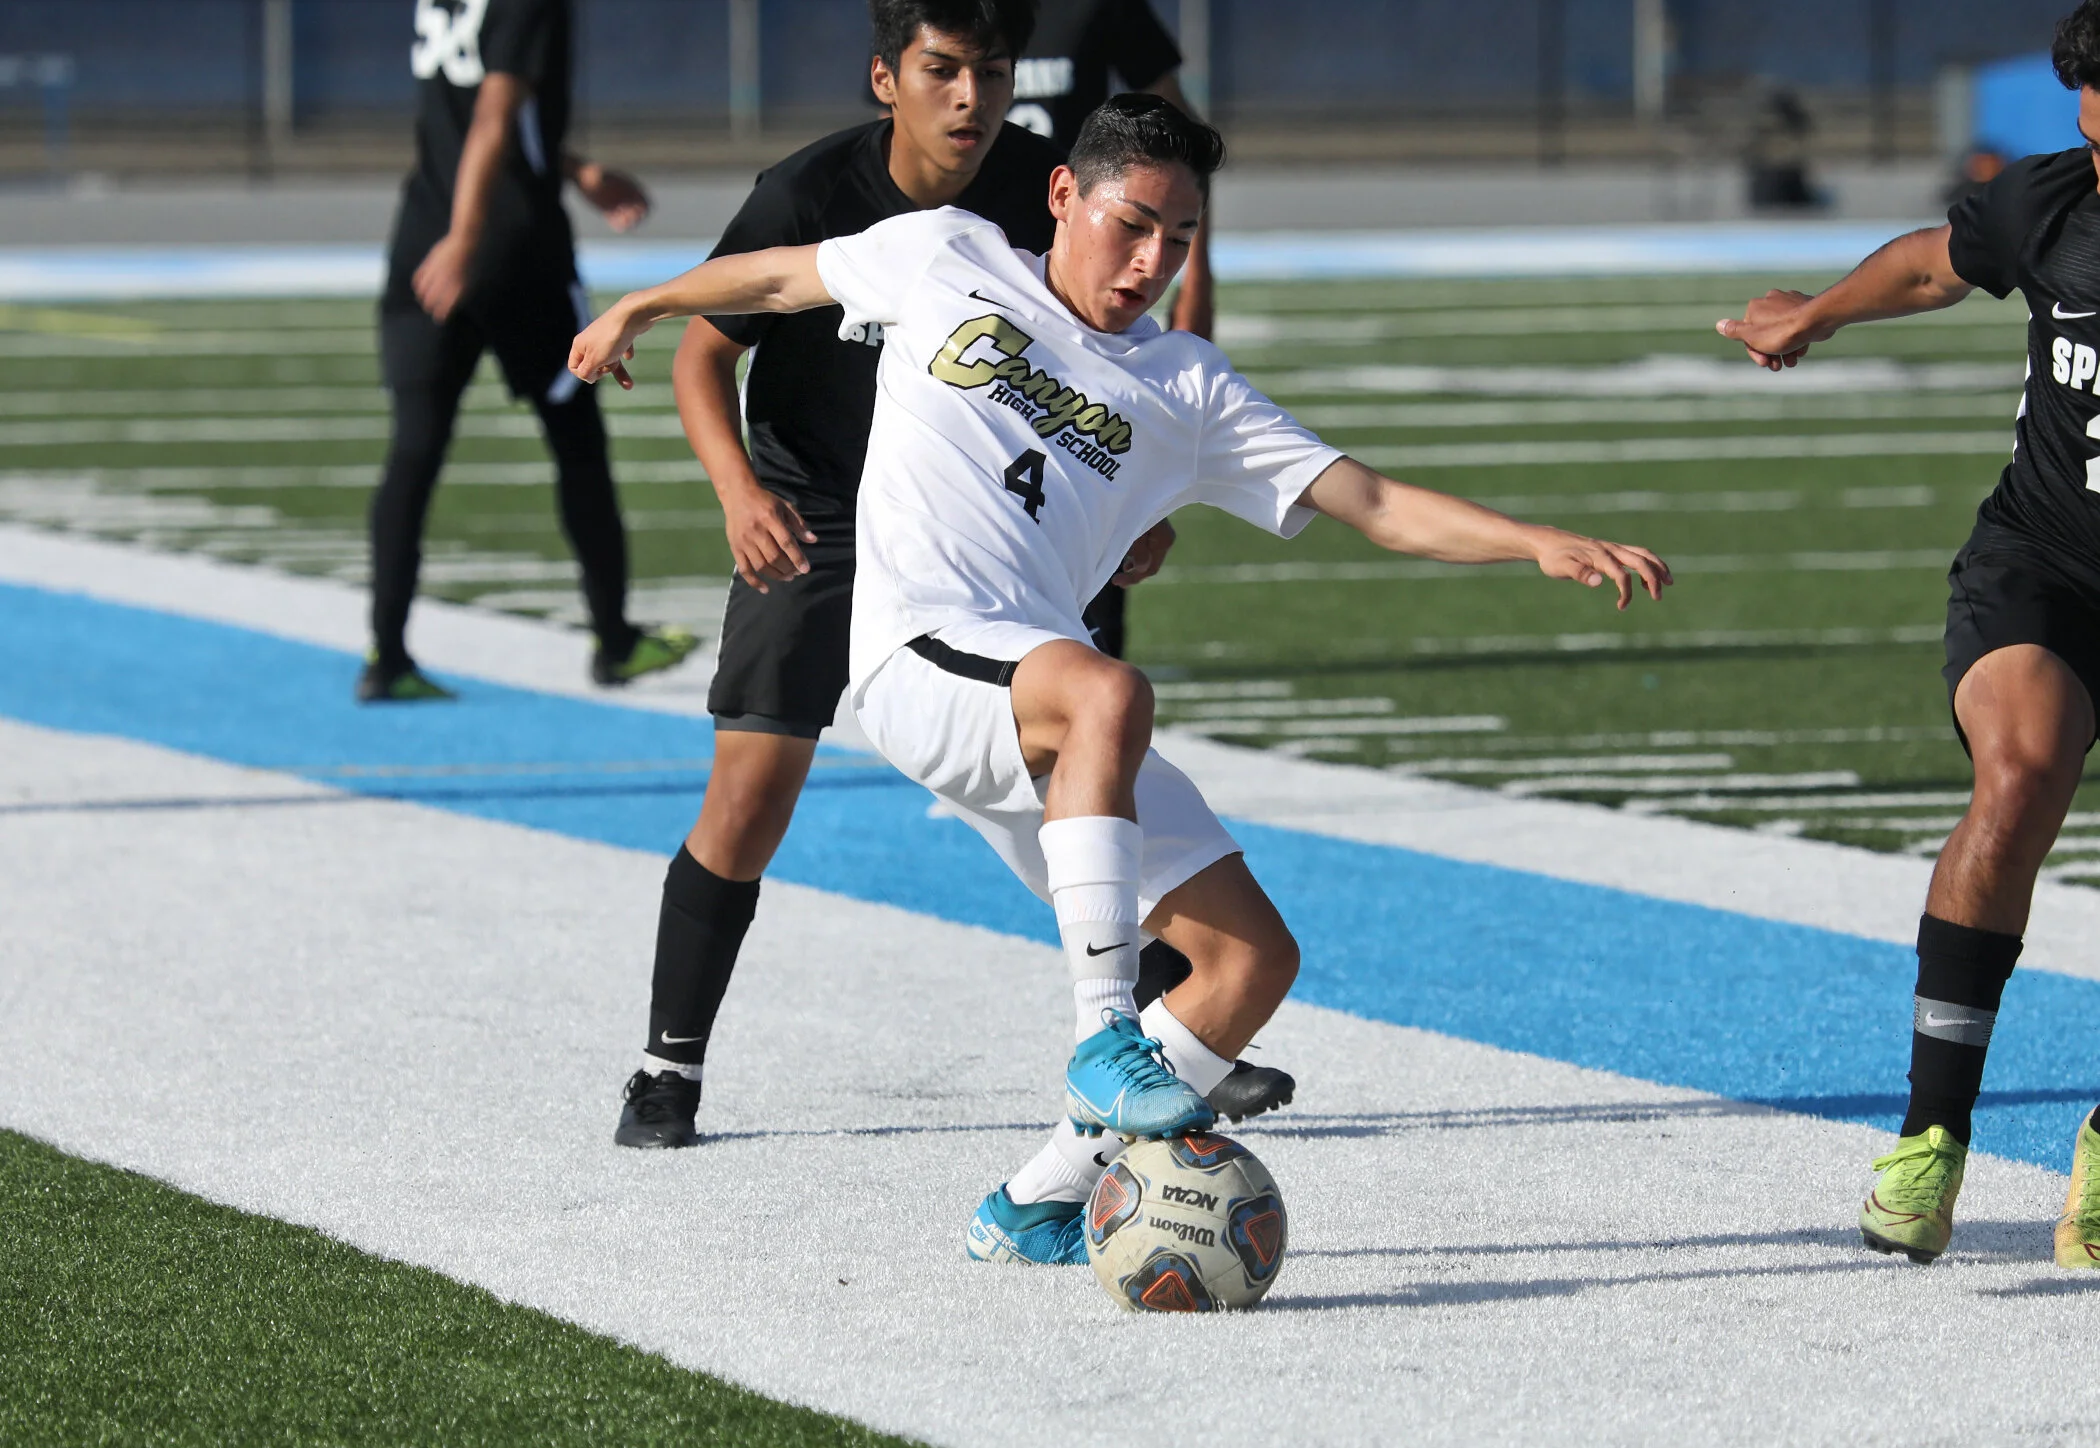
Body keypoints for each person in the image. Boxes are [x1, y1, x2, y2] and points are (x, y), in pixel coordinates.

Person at [573, 94, 1669, 1262]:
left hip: (1039, 715)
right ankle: (1106, 1035)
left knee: (1251, 960)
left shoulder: (1188, 389)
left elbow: (1378, 502)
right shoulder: (945, 253)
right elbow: (778, 280)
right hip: (918, 658)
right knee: (1110, 690)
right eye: (1130, 223)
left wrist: (1532, 540)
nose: (1150, 260)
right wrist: (641, 300)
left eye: (1179, 239)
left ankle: (1037, 1199)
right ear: (1061, 197)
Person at [612, 0, 1289, 1153]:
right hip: (821, 513)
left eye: (991, 71)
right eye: (943, 71)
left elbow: (1109, 357)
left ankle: (1156, 1028)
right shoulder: (813, 188)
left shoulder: (1044, 183)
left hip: (981, 527)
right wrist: (736, 491)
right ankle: (667, 1065)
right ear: (889, 77)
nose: (973, 96)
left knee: (1071, 771)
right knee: (751, 795)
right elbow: (704, 351)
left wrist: (1140, 493)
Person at [1718, 0, 2100, 1271]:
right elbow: (1938, 260)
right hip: (2041, 565)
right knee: (2021, 774)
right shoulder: (2054, 201)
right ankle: (1932, 1139)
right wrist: (1817, 311)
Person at [364, 0, 696, 702]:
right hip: (507, 246)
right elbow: (494, 112)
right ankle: (615, 640)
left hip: (421, 228)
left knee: (413, 447)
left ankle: (386, 654)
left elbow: (473, 117)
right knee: (576, 437)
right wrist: (471, 234)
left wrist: (574, 171)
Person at [995, 0, 1214, 666]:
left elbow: (1176, 132)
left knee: (1092, 475)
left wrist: (1191, 266)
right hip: (976, 288)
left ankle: (1088, 677)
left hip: (1088, 292)